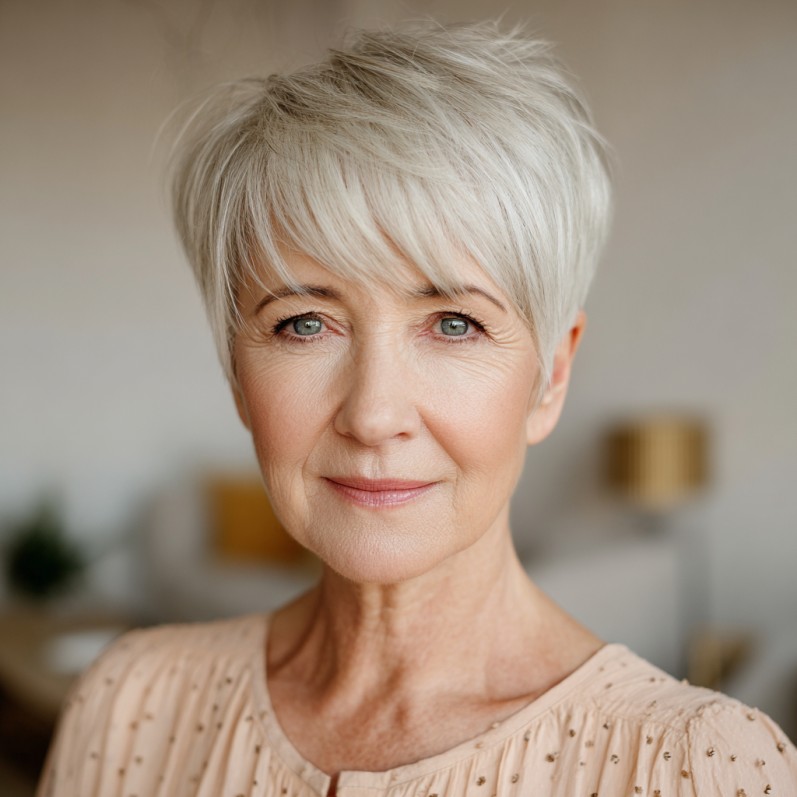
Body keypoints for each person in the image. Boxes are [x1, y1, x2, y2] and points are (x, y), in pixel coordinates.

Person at [38, 21, 796, 797]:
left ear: (553, 374)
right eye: (303, 323)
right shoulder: (128, 706)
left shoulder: (693, 764)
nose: (372, 414)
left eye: (453, 323)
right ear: (236, 371)